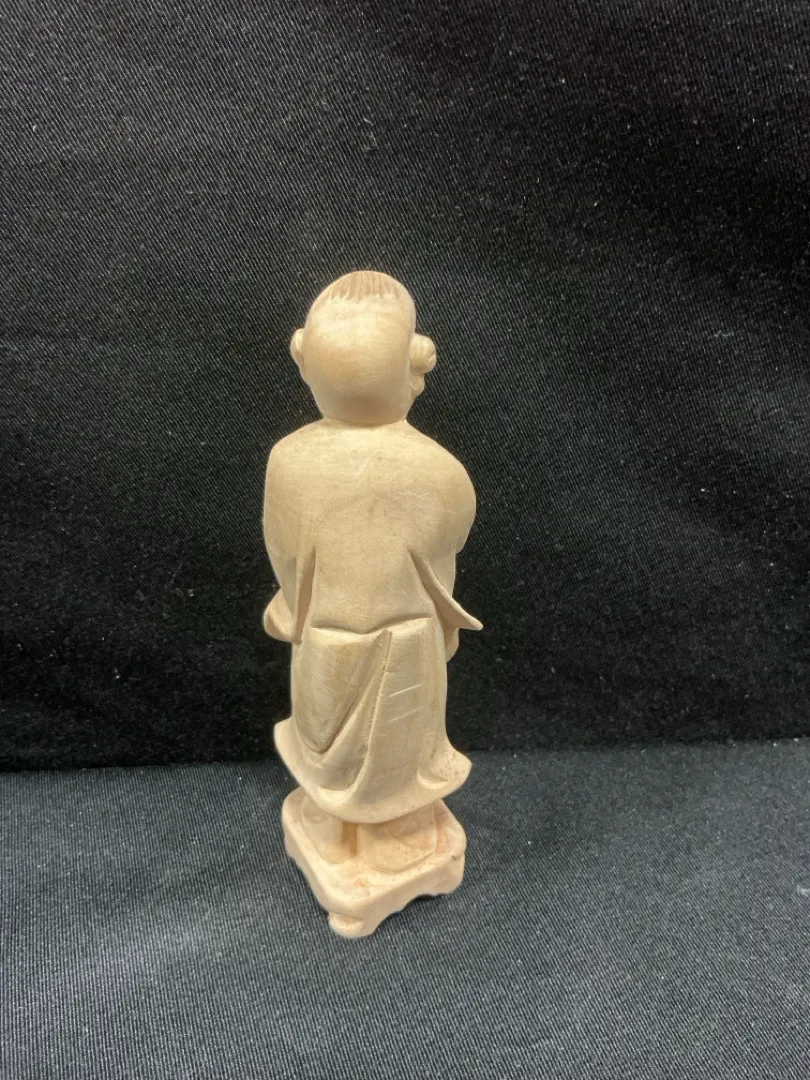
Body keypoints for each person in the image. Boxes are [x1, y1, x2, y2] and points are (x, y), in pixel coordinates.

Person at [263, 271, 481, 881]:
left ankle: (342, 836)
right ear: (415, 368)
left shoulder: (289, 458)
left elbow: (284, 552)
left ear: (305, 364)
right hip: (406, 638)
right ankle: (390, 838)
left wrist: (294, 606)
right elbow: (450, 538)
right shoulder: (439, 468)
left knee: (332, 751)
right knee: (399, 758)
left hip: (325, 635)